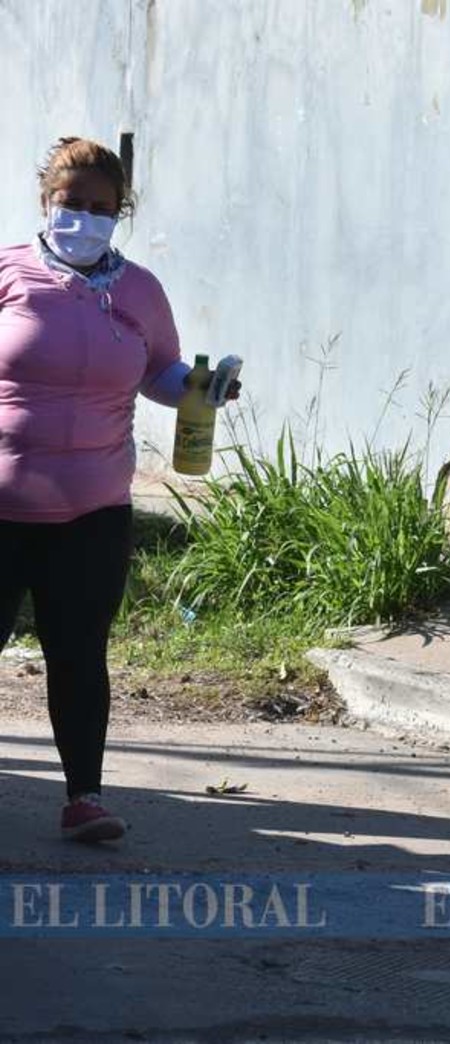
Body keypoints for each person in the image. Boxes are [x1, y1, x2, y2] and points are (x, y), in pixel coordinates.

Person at [0, 137, 238, 842]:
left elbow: (161, 371)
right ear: (46, 201)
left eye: (100, 207)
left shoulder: (139, 292)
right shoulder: (8, 273)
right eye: (70, 203)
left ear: (120, 212)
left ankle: (84, 798)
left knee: (78, 652)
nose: (83, 217)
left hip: (93, 512)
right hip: (2, 508)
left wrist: (203, 390)